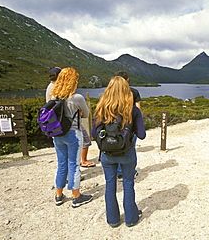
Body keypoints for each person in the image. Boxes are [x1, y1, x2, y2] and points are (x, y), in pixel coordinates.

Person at [92, 76, 146, 227]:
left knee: (110, 185)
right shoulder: (133, 110)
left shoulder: (101, 108)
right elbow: (142, 135)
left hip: (107, 154)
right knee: (128, 184)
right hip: (127, 154)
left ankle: (113, 220)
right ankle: (131, 219)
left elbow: (93, 133)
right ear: (126, 91)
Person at [50, 67, 93, 208]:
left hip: (57, 134)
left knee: (61, 164)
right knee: (74, 165)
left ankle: (59, 195)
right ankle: (76, 196)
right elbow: (86, 115)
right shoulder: (77, 98)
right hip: (73, 133)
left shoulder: (53, 97)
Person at [47, 67, 96, 168]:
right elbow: (86, 114)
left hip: (56, 125)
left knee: (62, 162)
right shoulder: (73, 96)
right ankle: (79, 167)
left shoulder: (52, 90)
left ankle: (62, 181)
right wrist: (79, 112)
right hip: (69, 125)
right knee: (74, 159)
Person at [114, 71, 141, 179]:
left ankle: (118, 171)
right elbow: (138, 109)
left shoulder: (112, 92)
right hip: (130, 125)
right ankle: (129, 171)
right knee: (130, 148)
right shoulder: (133, 92)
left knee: (115, 146)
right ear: (127, 80)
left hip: (114, 125)